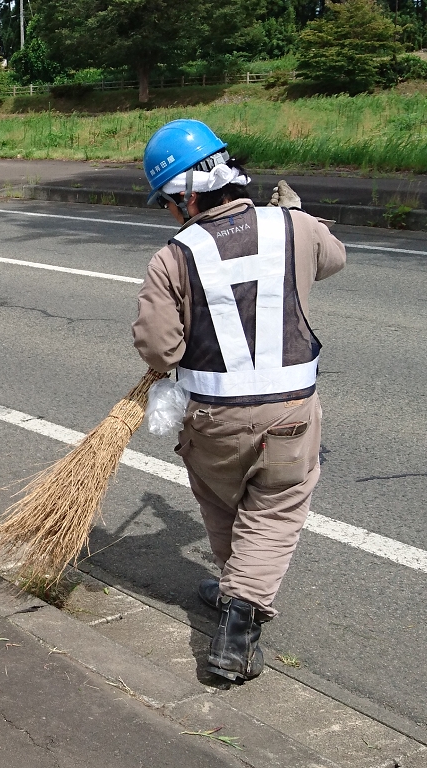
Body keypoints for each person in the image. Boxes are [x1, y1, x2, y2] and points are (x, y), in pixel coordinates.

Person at [131, 119, 346, 683]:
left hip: (212, 421)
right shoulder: (293, 226)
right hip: (290, 415)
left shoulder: (173, 256)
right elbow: (333, 260)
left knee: (225, 506)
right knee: (274, 509)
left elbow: (159, 349)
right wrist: (300, 219)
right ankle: (239, 624)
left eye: (167, 204)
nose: (170, 215)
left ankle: (236, 593)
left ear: (186, 197)